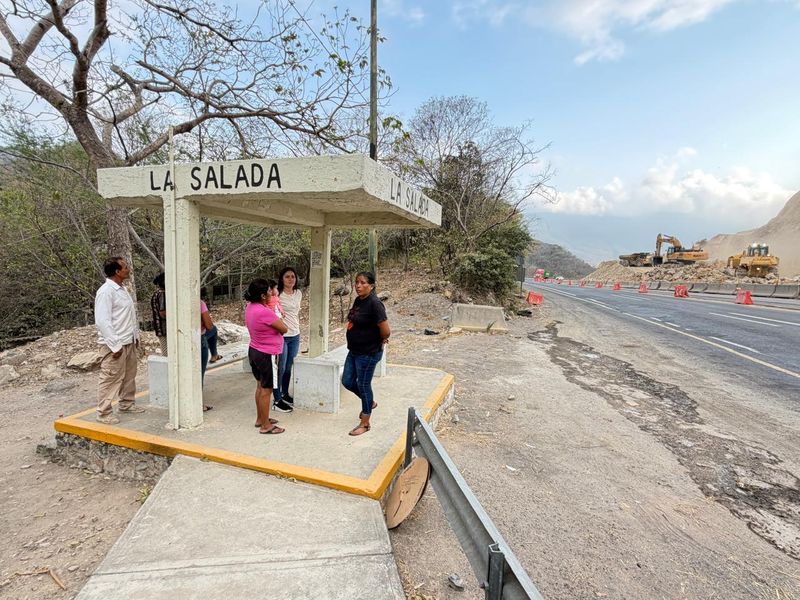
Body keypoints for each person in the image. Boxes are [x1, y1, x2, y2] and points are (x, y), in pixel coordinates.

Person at [94, 257, 143, 424]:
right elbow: (102, 321)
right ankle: (104, 412)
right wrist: (115, 345)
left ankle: (127, 404)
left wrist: (134, 336)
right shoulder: (106, 291)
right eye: (125, 267)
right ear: (117, 271)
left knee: (129, 375)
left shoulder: (122, 289)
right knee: (110, 377)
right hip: (114, 345)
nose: (128, 269)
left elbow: (128, 316)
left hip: (127, 340)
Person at [342, 271, 390, 436]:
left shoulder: (375, 304)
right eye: (357, 282)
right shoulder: (358, 300)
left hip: (368, 353)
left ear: (372, 285)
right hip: (354, 350)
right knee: (347, 381)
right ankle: (369, 401)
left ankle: (365, 422)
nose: (358, 286)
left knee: (363, 384)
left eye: (363, 283)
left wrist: (381, 340)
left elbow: (386, 330)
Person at [244, 279, 289, 434]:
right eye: (270, 291)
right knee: (267, 389)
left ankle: (260, 419)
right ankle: (265, 426)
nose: (273, 293)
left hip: (255, 350)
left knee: (260, 386)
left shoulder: (251, 307)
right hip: (267, 354)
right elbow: (284, 328)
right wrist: (276, 313)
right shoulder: (264, 312)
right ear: (263, 295)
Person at [273, 266, 301, 412]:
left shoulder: (298, 293)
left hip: (295, 334)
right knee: (280, 367)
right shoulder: (277, 295)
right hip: (282, 336)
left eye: (293, 276)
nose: (291, 279)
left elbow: (295, 313)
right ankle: (277, 398)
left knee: (289, 366)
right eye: (287, 276)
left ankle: (285, 393)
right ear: (282, 279)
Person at [150, 273, 167, 356]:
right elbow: (163, 313)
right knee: (167, 354)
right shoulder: (162, 293)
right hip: (164, 328)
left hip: (160, 327)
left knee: (166, 352)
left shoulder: (157, 293)